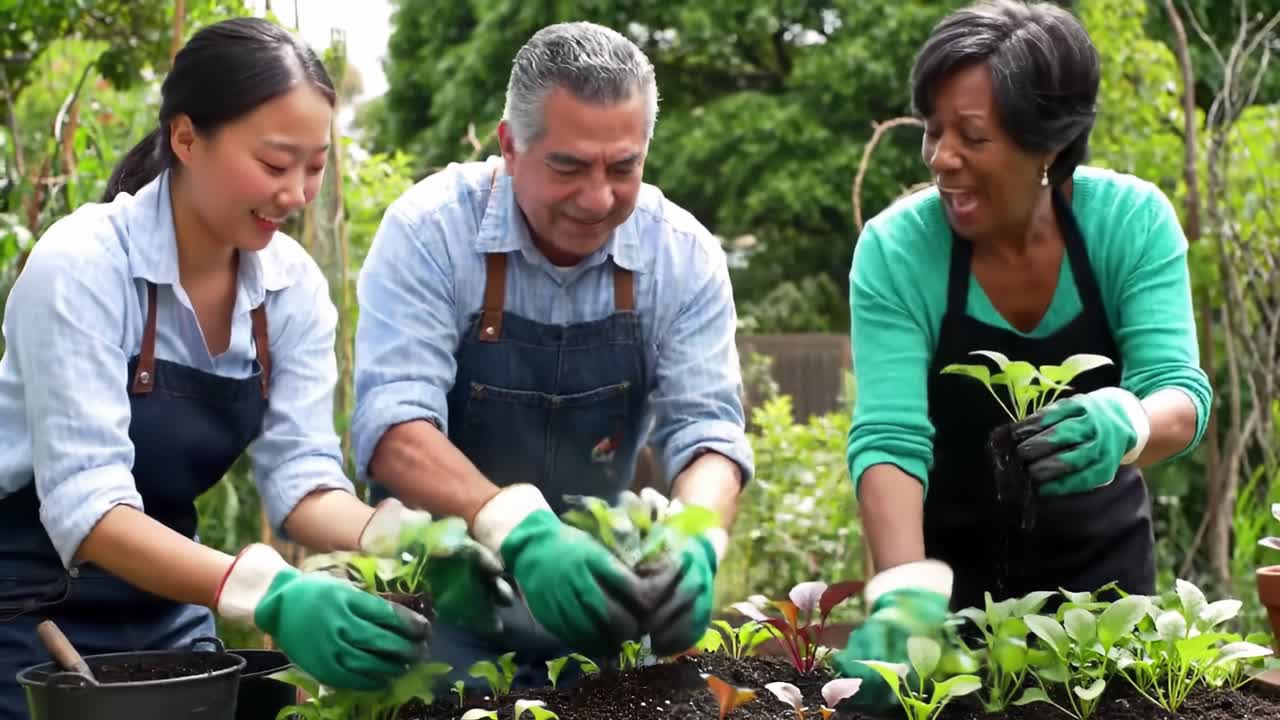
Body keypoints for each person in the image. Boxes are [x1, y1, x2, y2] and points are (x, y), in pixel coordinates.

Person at [0, 18, 466, 719]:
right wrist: (270, 593)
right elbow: (87, 509)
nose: (300, 194)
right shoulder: (84, 265)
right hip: (23, 611)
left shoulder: (291, 291)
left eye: (315, 167)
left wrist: (403, 538)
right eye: (276, 165)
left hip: (170, 602)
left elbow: (303, 480)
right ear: (186, 138)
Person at [829, 0, 1212, 707]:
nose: (941, 158)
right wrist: (906, 599)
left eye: (971, 136)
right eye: (933, 130)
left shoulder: (1129, 223)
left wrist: (1126, 422)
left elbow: (1180, 394)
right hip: (950, 585)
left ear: (1049, 146)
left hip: (1105, 597)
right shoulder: (896, 251)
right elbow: (889, 437)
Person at [352, 21, 753, 689]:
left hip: (600, 606)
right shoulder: (429, 233)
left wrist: (698, 539)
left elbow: (708, 430)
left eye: (623, 168)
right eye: (568, 166)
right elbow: (394, 428)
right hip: (439, 606)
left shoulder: (679, 254)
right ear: (511, 146)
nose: (597, 198)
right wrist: (518, 528)